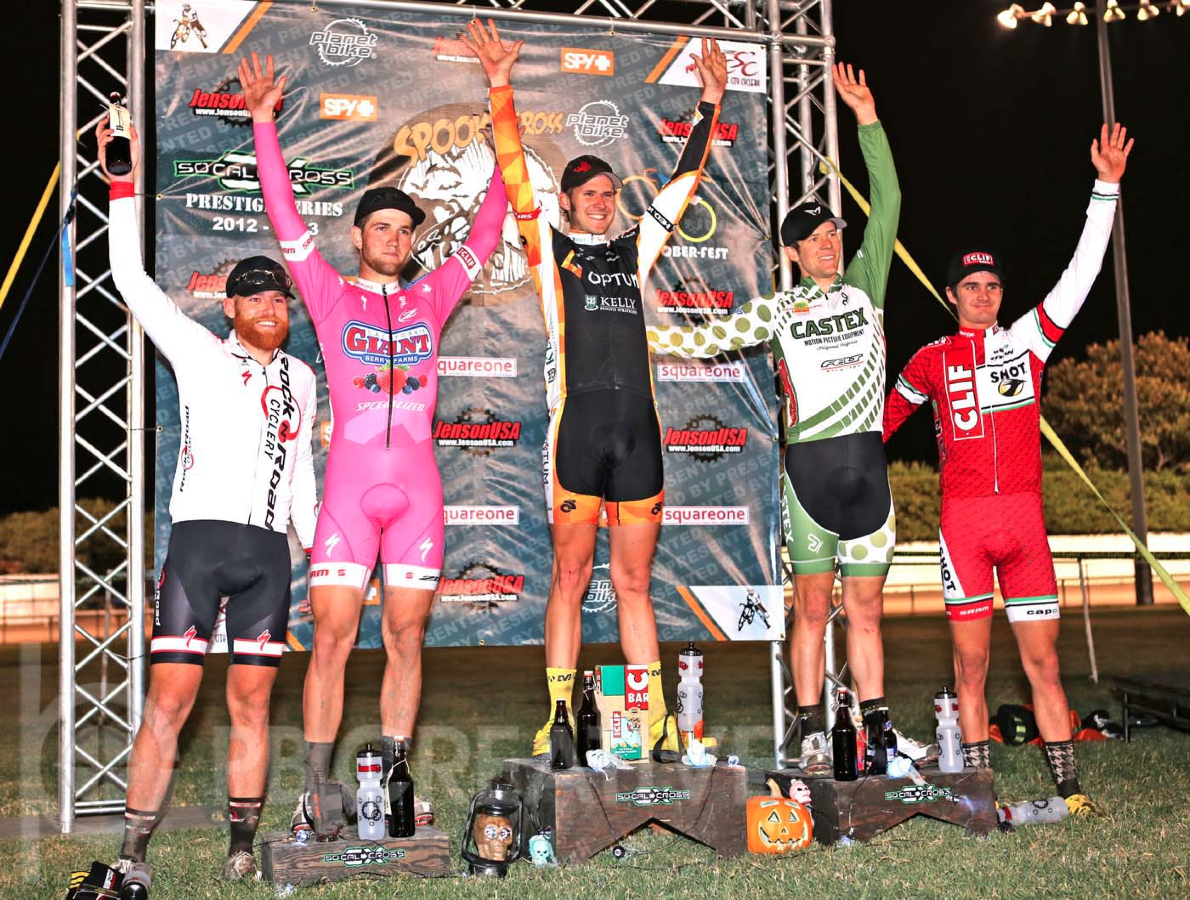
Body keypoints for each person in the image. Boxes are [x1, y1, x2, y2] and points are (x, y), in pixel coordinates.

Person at [239, 52, 508, 834]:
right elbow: (284, 213)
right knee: (331, 636)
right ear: (358, 235)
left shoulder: (435, 291)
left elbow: (493, 216)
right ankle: (316, 789)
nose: (394, 237)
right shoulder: (325, 293)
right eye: (381, 226)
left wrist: (499, 100)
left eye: (405, 228)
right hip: (350, 494)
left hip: (418, 493)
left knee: (406, 636)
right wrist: (262, 123)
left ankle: (393, 776)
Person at [460, 19, 727, 756]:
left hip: (639, 431)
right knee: (571, 577)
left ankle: (661, 721)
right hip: (577, 432)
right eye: (589, 192)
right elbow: (516, 173)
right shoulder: (548, 249)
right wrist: (501, 86)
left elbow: (684, 183)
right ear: (569, 202)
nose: (603, 200)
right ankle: (555, 717)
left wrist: (707, 105)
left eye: (610, 190)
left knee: (636, 584)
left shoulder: (634, 248)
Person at [646, 64, 907, 774]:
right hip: (810, 473)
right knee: (814, 611)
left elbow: (888, 203)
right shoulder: (778, 308)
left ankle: (878, 728)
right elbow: (704, 340)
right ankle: (813, 729)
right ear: (791, 252)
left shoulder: (866, 285)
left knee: (869, 612)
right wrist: (636, 337)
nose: (828, 242)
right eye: (813, 237)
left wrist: (867, 121)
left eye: (832, 234)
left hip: (868, 468)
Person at [883, 123, 1133, 815]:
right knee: (971, 668)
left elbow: (1081, 273)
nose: (985, 293)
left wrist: (1104, 188)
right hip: (963, 525)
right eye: (972, 285)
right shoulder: (929, 359)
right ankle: (979, 796)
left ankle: (1071, 793)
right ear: (951, 292)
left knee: (1044, 665)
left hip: (1025, 522)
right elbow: (882, 425)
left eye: (993, 284)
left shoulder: (1029, 341)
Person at [95, 119, 318, 893]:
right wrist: (121, 184)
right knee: (171, 704)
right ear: (229, 308)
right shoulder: (197, 349)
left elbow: (303, 473)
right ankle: (132, 855)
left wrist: (318, 551)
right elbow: (129, 277)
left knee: (252, 706)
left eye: (279, 296)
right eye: (254, 296)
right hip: (196, 548)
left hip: (266, 556)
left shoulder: (304, 377)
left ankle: (242, 846)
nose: (269, 305)